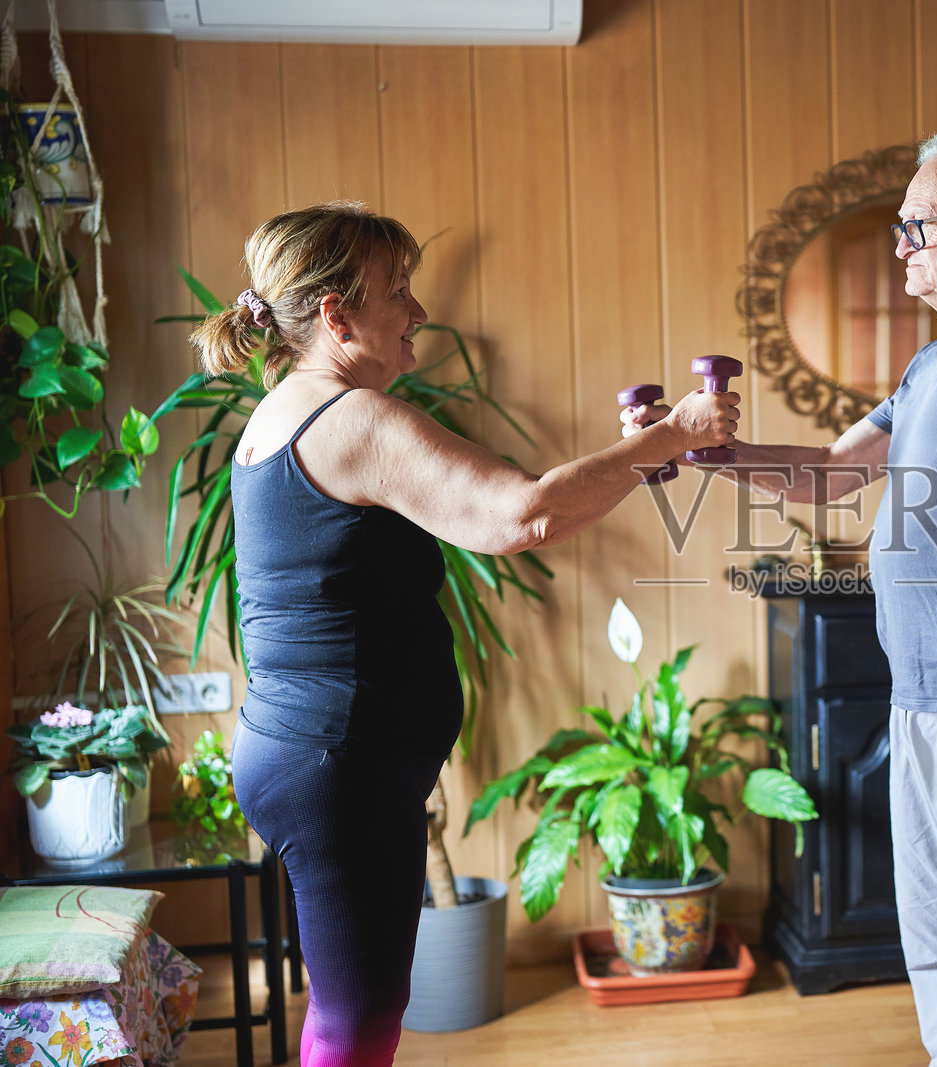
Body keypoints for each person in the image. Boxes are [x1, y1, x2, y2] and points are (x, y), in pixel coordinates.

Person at [191, 202, 737, 1067]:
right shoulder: (354, 421)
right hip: (337, 762)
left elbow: (521, 506)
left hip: (316, 753)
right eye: (396, 291)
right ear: (336, 315)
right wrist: (671, 436)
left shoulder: (284, 412)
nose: (418, 311)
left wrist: (645, 455)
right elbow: (521, 515)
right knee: (358, 1020)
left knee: (349, 1009)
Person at [629, 130, 937, 1065]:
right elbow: (827, 474)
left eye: (917, 226)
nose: (900, 246)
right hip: (923, 698)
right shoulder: (931, 366)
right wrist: (703, 450)